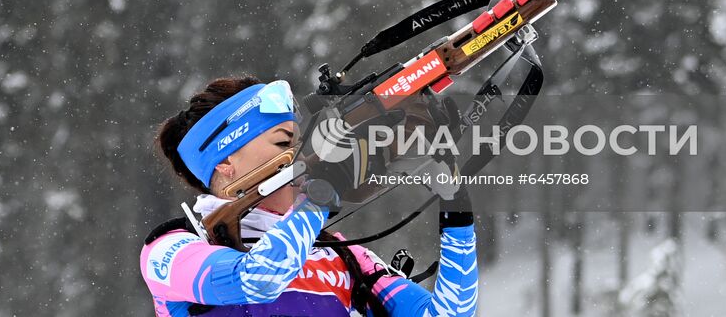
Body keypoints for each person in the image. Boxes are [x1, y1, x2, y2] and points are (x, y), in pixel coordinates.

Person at [139, 75, 478, 316]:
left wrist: (455, 206)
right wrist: (318, 199)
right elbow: (258, 279)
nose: (299, 157)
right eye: (283, 142)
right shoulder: (173, 248)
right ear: (227, 160)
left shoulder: (339, 254)